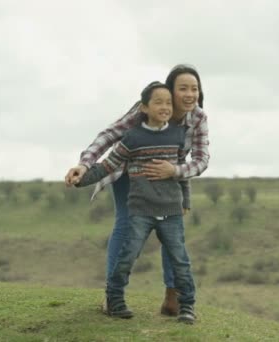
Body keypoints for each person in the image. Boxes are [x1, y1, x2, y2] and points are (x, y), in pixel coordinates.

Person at [64, 64, 209, 316]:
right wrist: (84, 164)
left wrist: (174, 172)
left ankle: (172, 298)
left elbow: (201, 159)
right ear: (169, 90)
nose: (189, 94)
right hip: (129, 170)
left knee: (173, 236)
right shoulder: (148, 106)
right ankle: (113, 297)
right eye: (182, 88)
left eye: (194, 89)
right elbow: (110, 135)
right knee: (125, 225)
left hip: (168, 180)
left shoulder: (197, 117)